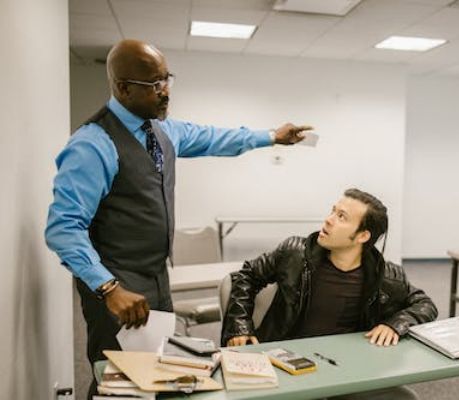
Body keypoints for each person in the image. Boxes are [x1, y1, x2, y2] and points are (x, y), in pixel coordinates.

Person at [44, 39, 311, 397]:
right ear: (123, 87)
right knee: (119, 382)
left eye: (167, 79)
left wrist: (271, 137)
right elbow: (63, 228)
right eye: (154, 84)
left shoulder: (163, 131)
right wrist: (108, 288)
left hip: (157, 278)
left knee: (161, 372)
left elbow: (213, 138)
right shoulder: (92, 144)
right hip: (117, 285)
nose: (166, 91)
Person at [222, 189, 437, 399]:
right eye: (333, 211)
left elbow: (424, 304)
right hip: (285, 365)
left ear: (363, 236)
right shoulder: (294, 253)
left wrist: (395, 324)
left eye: (341, 217)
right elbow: (246, 275)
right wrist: (239, 326)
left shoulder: (387, 277)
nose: (328, 220)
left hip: (345, 371)